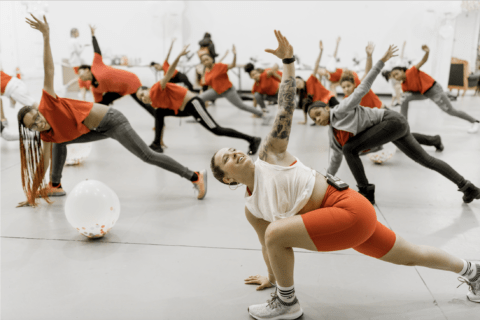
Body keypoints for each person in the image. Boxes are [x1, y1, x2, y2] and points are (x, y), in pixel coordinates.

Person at [210, 30, 480, 320]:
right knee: (411, 254)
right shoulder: (253, 209)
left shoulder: (269, 154)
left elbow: (284, 106)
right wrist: (271, 277)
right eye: (227, 158)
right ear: (229, 179)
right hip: (342, 223)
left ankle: (287, 304)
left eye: (233, 149)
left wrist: (288, 61)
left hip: (347, 207)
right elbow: (267, 246)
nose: (236, 153)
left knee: (278, 232)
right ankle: (474, 271)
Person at [16, 14, 206, 208]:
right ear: (32, 130)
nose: (40, 123)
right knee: (58, 141)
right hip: (93, 129)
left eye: (37, 117)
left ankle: (195, 176)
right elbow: (43, 164)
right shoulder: (47, 134)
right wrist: (31, 195)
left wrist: (46, 35)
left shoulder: (47, 103)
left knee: (147, 155)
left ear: (38, 111)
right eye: (34, 125)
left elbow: (49, 70)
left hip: (112, 121)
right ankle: (55, 185)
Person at [307, 45, 480, 205]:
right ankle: (468, 188)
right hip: (393, 126)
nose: (318, 119)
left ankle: (366, 191)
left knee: (349, 149)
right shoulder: (334, 136)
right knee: (427, 160)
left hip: (392, 121)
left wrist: (381, 61)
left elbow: (363, 86)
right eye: (314, 119)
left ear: (326, 108)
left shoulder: (341, 108)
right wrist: (324, 181)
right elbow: (335, 161)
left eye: (318, 114)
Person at [135, 46, 262, 155]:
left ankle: (252, 139)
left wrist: (179, 56)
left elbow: (169, 72)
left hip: (194, 104)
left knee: (216, 130)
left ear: (147, 89)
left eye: (142, 94)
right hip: (186, 107)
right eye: (139, 98)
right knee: (159, 112)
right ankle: (157, 143)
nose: (142, 98)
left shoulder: (156, 88)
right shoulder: (154, 101)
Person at [338, 42, 443, 155]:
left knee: (402, 137)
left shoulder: (361, 88)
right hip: (374, 121)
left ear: (354, 84)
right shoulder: (346, 99)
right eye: (343, 87)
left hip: (385, 115)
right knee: (401, 137)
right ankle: (434, 140)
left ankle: (434, 140)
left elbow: (368, 72)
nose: (346, 89)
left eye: (348, 86)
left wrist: (369, 56)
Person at [390, 45, 480, 134]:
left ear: (402, 71)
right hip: (424, 93)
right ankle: (404, 125)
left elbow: (423, 60)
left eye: (396, 74)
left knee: (451, 111)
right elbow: (410, 95)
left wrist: (427, 52)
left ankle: (475, 121)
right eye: (394, 76)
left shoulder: (411, 71)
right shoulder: (404, 85)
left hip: (434, 90)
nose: (396, 77)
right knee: (404, 98)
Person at [77, 25, 155, 117]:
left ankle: (159, 119)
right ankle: (100, 122)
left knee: (143, 102)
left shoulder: (96, 64)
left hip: (130, 81)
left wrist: (93, 36)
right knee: (102, 103)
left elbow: (97, 50)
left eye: (80, 72)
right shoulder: (95, 89)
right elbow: (98, 104)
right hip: (119, 90)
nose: (79, 76)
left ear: (87, 70)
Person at [198, 46, 273, 125]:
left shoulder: (219, 66)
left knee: (241, 105)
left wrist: (234, 55)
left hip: (228, 90)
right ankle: (200, 116)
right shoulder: (206, 71)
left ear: (212, 59)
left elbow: (233, 65)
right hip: (216, 91)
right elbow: (206, 84)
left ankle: (263, 114)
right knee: (199, 98)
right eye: (203, 61)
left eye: (207, 59)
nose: (206, 62)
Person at [295, 40, 338, 125]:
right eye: (295, 84)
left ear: (302, 79)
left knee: (340, 111)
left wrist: (321, 51)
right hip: (320, 106)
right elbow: (305, 108)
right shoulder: (303, 94)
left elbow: (316, 65)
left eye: (298, 81)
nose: (297, 83)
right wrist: (305, 121)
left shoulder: (311, 79)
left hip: (328, 98)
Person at [65, 27, 91, 100]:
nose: (78, 33)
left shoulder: (70, 41)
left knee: (80, 78)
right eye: (77, 32)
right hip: (76, 62)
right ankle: (67, 86)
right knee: (80, 78)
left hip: (73, 61)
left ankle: (83, 96)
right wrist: (84, 46)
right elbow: (79, 52)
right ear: (74, 33)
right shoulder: (75, 41)